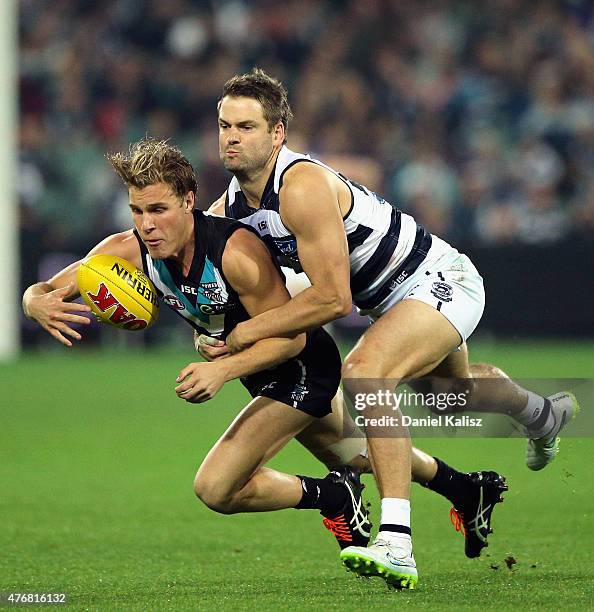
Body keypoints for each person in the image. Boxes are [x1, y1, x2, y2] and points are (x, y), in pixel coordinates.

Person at [21, 139, 506, 581]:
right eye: (136, 211)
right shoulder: (126, 250)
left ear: (188, 202)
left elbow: (292, 339)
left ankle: (333, 497)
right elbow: (51, 287)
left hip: (299, 369)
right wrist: (34, 300)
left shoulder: (234, 252)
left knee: (215, 488)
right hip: (259, 373)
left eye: (158, 210)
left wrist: (222, 366)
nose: (147, 225)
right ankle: (465, 489)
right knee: (363, 453)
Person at [208, 68, 578, 588]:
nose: (231, 137)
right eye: (225, 125)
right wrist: (210, 328)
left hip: (438, 278)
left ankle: (397, 541)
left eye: (246, 126)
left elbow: (334, 299)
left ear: (278, 132)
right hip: (393, 303)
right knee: (453, 394)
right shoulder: (229, 209)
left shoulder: (302, 185)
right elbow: (208, 277)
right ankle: (544, 416)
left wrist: (247, 335)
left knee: (364, 373)